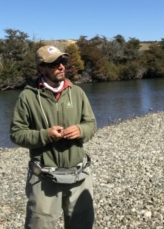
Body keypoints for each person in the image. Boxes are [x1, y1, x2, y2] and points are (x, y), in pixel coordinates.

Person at [10, 45, 97, 229]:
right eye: (54, 63)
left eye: (63, 61)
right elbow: (16, 134)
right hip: (44, 179)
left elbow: (91, 124)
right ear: (41, 68)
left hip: (79, 176)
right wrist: (45, 135)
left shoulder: (77, 92)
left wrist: (81, 130)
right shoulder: (27, 97)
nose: (61, 67)